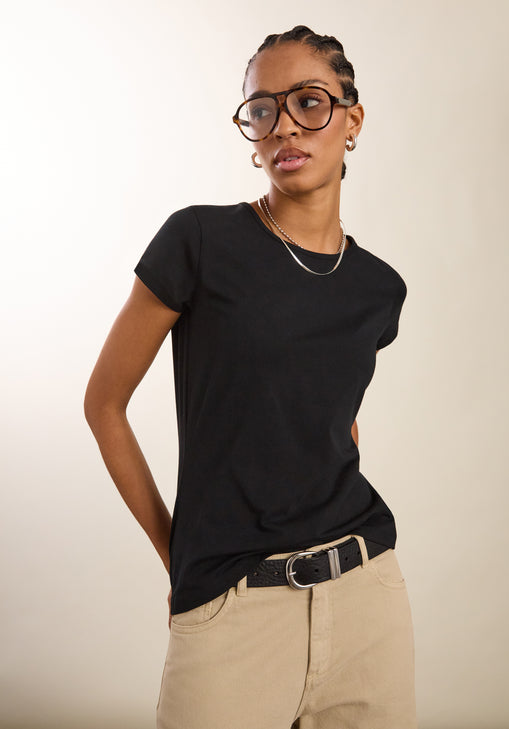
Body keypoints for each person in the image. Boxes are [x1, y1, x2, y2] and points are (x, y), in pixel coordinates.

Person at [84, 24, 417, 729]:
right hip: (232, 603)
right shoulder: (200, 240)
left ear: (352, 120)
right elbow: (104, 403)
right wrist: (178, 555)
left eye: (309, 102)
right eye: (263, 109)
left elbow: (333, 418)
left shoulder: (378, 288)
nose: (284, 125)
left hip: (366, 597)